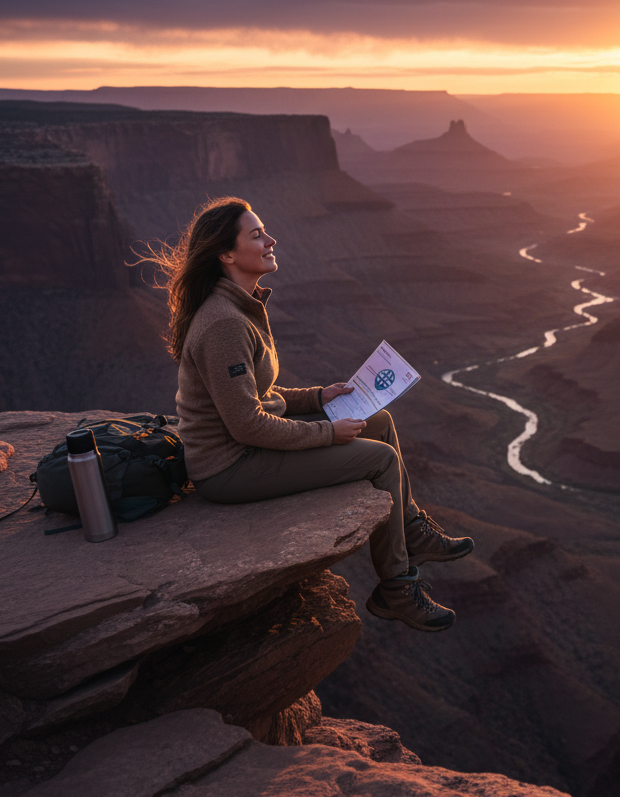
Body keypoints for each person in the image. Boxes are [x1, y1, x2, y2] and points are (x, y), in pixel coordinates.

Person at [149, 196, 472, 632]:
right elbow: (246, 424)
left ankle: (411, 530)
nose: (271, 239)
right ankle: (396, 588)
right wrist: (327, 433)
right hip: (229, 467)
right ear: (227, 254)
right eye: (257, 234)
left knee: (379, 421)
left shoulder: (240, 306)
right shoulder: (224, 323)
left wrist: (319, 396)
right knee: (381, 459)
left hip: (246, 445)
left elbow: (257, 395)